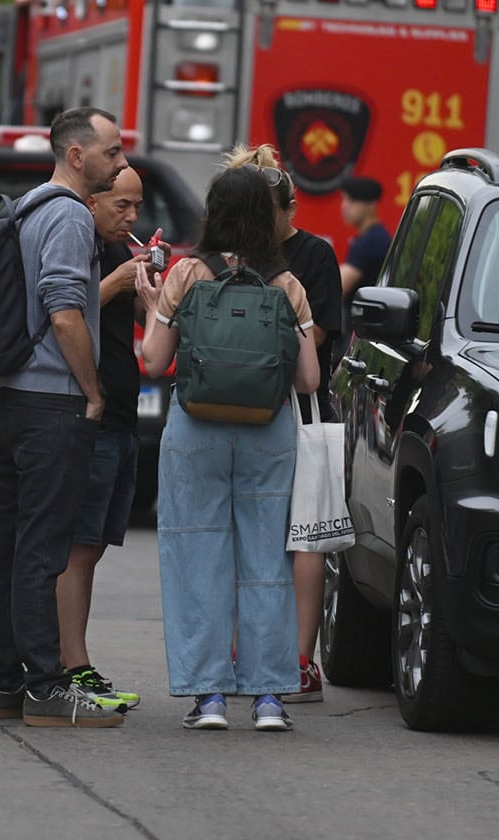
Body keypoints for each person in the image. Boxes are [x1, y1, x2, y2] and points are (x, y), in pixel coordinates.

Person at [134, 164, 321, 733]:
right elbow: (309, 379)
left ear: (211, 215)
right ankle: (269, 699)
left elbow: (153, 360)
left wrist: (151, 303)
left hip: (196, 432)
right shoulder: (287, 285)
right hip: (269, 431)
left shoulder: (187, 274)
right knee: (267, 561)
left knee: (197, 556)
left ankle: (209, 696)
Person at [0, 106, 129, 730]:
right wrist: (92, 393)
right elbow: (65, 310)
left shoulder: (27, 207)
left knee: (6, 546)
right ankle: (45, 689)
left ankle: (4, 684)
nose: (120, 161)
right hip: (53, 405)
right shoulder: (68, 215)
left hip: (15, 399)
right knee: (42, 551)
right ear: (76, 155)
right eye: (112, 151)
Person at [224, 146, 343, 705]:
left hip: (299, 408)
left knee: (304, 535)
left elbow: (316, 337)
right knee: (245, 533)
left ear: (288, 209)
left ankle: (298, 660)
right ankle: (240, 654)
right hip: (241, 406)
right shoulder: (228, 255)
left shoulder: (312, 255)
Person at [55, 165, 165, 711]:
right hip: (88, 416)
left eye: (138, 207)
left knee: (93, 546)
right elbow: (60, 313)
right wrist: (115, 283)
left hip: (122, 416)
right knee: (76, 546)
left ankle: (72, 662)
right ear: (92, 202)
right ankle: (71, 667)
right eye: (122, 205)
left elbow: (151, 328)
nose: (131, 217)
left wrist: (153, 288)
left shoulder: (122, 252)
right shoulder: (76, 244)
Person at [337, 175, 392, 298]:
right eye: (344, 200)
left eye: (352, 201)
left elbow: (337, 288)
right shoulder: (370, 237)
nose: (344, 206)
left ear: (371, 205)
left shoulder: (372, 242)